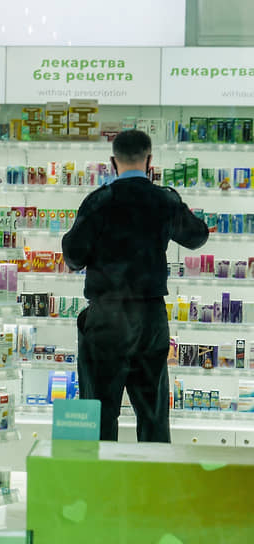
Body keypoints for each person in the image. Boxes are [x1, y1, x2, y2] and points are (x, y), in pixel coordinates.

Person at [62, 129, 209, 443]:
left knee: (98, 415)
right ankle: (152, 474)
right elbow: (197, 236)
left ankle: (98, 474)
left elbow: (73, 256)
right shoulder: (163, 200)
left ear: (112, 162)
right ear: (150, 160)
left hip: (106, 317)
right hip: (149, 317)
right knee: (153, 415)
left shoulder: (99, 201)